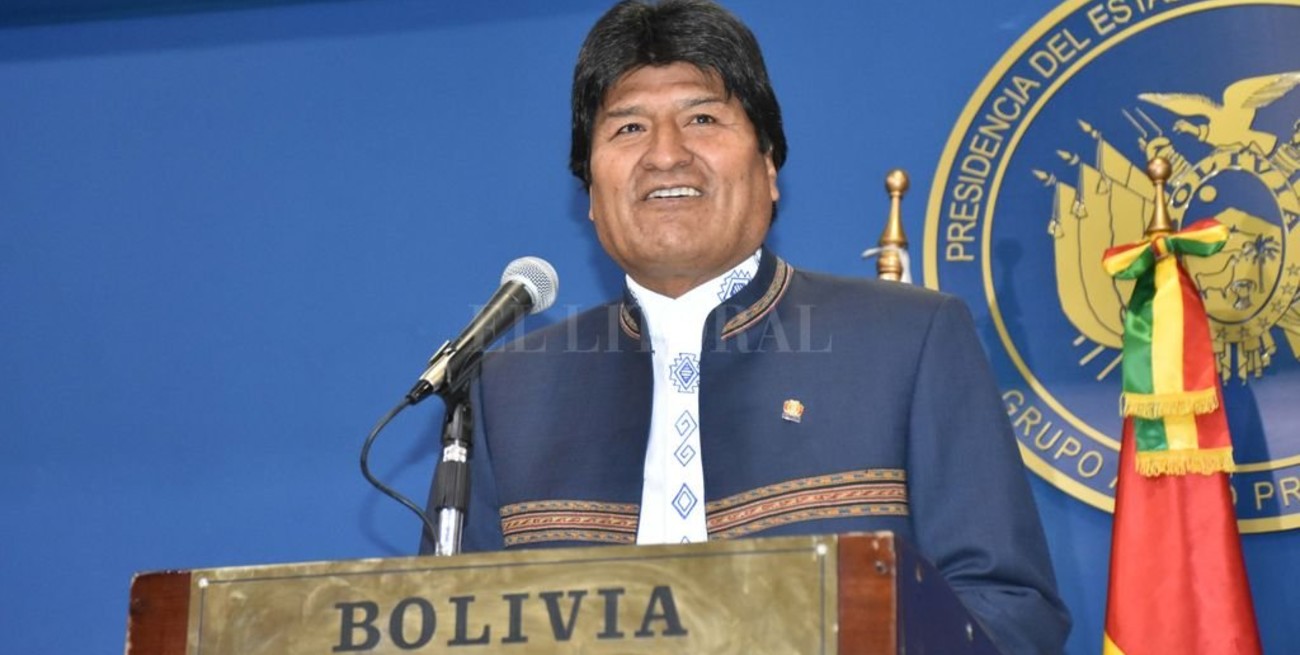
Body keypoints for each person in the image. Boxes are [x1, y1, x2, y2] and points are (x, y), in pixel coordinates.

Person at [422, 1, 1070, 652]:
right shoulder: (505, 391)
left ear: (769, 168)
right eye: (629, 127)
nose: (665, 154)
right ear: (590, 191)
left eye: (702, 118)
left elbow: (1009, 611)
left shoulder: (909, 341)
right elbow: (444, 624)